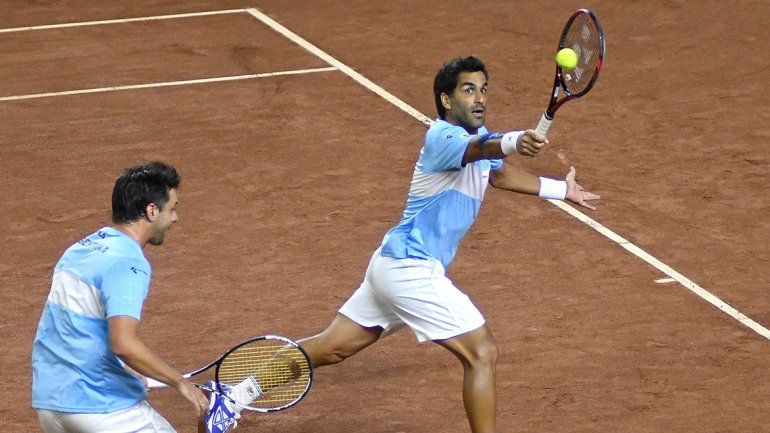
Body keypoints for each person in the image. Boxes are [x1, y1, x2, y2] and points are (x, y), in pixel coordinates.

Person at [298, 56, 600, 433]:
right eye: (468, 89)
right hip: (411, 267)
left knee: (330, 348)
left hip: (390, 264)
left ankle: (233, 392)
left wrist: (561, 190)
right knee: (482, 352)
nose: (479, 98)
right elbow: (481, 149)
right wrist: (514, 140)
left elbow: (500, 175)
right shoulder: (441, 137)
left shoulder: (477, 138)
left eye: (483, 89)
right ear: (446, 100)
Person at [30, 161, 235, 433]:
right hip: (100, 409)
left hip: (51, 406)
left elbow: (73, 330)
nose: (175, 218)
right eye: (172, 209)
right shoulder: (128, 263)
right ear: (152, 211)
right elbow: (123, 343)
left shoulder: (80, 249)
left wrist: (124, 370)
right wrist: (180, 383)